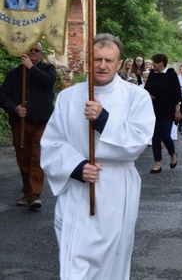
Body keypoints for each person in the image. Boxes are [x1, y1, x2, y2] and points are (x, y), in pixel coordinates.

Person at [40, 33, 154, 279]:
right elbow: (52, 143)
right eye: (97, 59)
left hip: (116, 187)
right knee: (75, 259)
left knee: (111, 261)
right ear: (87, 60)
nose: (102, 65)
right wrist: (77, 167)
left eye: (109, 60)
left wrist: (103, 119)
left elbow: (139, 140)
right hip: (78, 187)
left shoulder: (137, 97)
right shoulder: (68, 97)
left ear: (119, 62)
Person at [0, 42, 57, 209]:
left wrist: (31, 68)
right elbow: (3, 96)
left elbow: (48, 82)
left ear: (41, 53)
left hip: (41, 121)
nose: (33, 53)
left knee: (37, 157)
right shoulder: (14, 74)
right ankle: (28, 191)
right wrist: (15, 107)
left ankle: (34, 195)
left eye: (36, 51)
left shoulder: (48, 69)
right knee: (23, 158)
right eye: (30, 50)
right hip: (21, 122)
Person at [144, 53, 181, 173]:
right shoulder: (152, 75)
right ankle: (157, 163)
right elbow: (146, 90)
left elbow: (177, 93)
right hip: (153, 110)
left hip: (168, 109)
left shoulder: (171, 74)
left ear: (161, 63)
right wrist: (148, 96)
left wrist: (177, 110)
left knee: (165, 135)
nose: (153, 64)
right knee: (155, 137)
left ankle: (172, 153)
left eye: (155, 62)